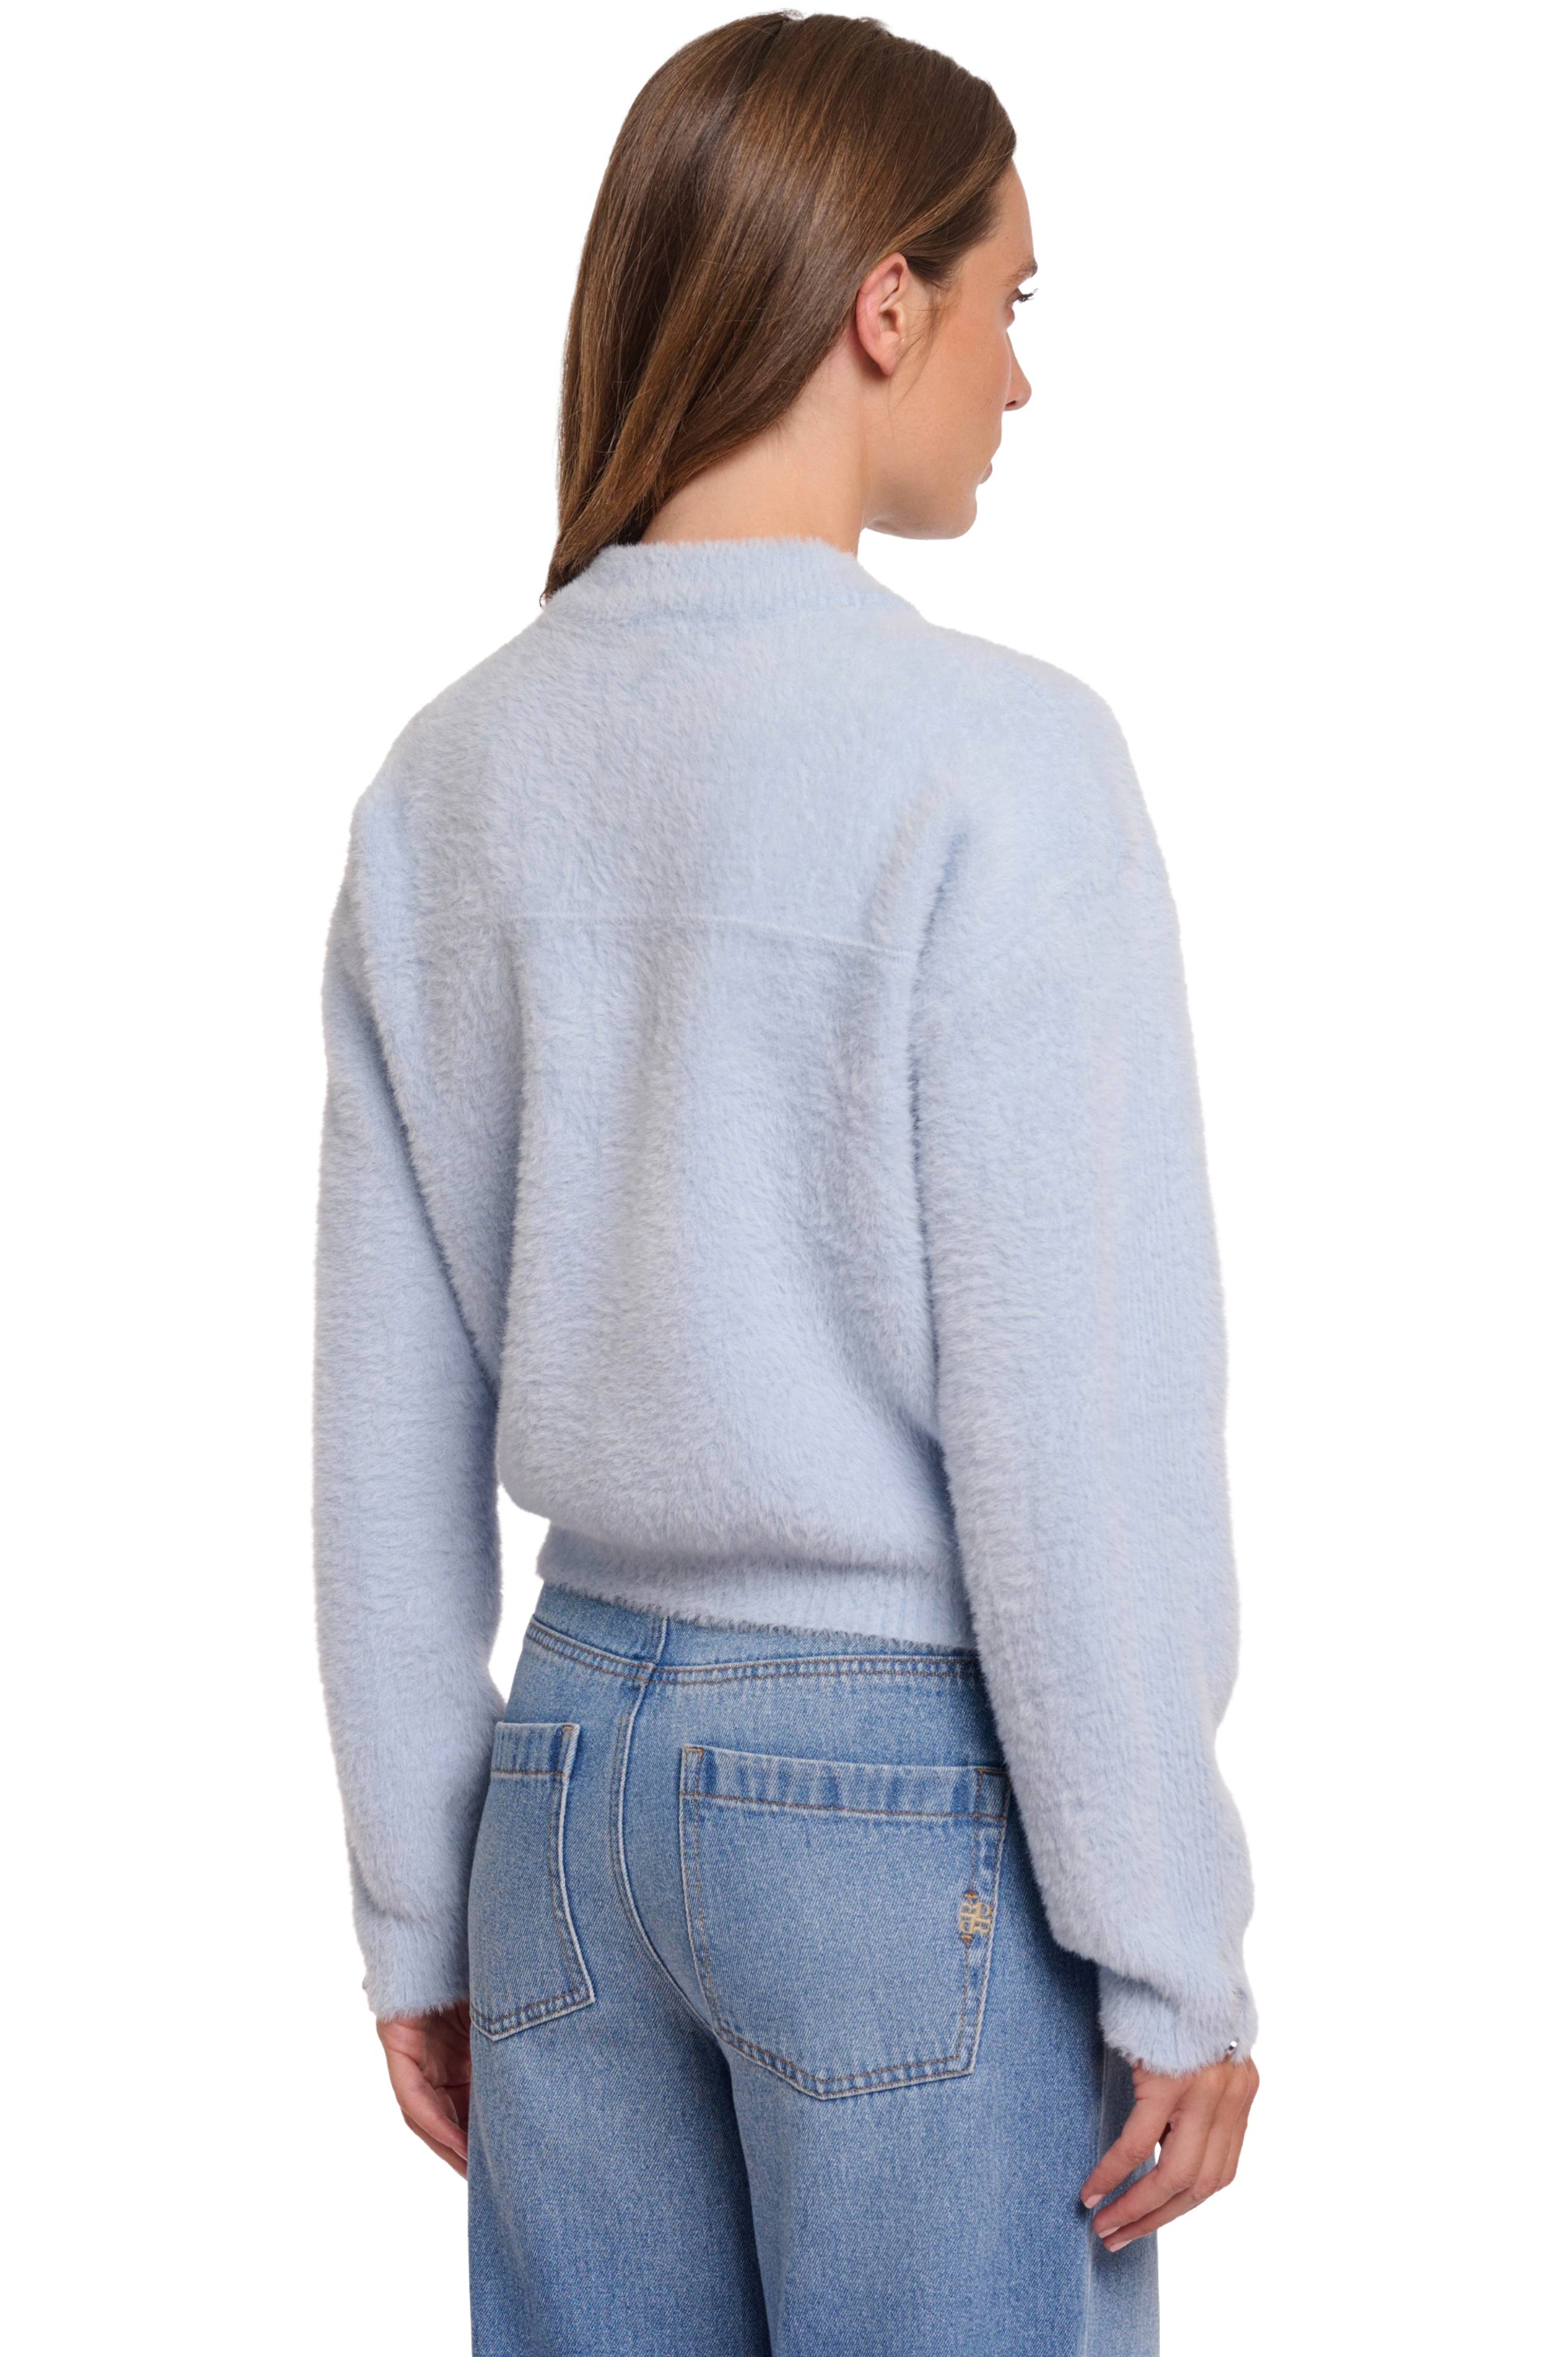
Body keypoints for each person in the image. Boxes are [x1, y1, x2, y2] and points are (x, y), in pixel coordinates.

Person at [313, 13, 1260, 2353]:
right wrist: (1171, 1941)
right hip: (893, 1801)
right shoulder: (998, 768)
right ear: (882, 306)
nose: (1021, 378)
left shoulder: (449, 778)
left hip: (563, 1793)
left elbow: (381, 1431)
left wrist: (423, 1905)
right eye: (1011, 301)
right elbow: (1076, 1422)